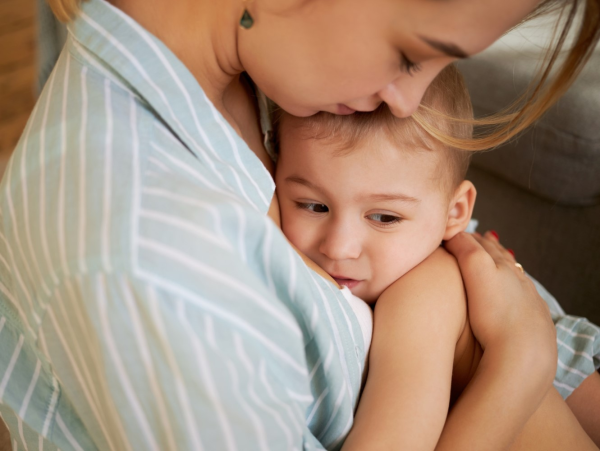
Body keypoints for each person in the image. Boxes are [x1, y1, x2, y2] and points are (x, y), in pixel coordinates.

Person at [0, 0, 599, 449]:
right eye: (410, 54)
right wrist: (519, 365)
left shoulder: (273, 77)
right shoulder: (149, 261)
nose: (408, 102)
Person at [273, 64, 600, 449]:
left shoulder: (424, 293)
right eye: (312, 206)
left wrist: (523, 359)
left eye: (384, 217)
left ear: (454, 213)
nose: (339, 247)